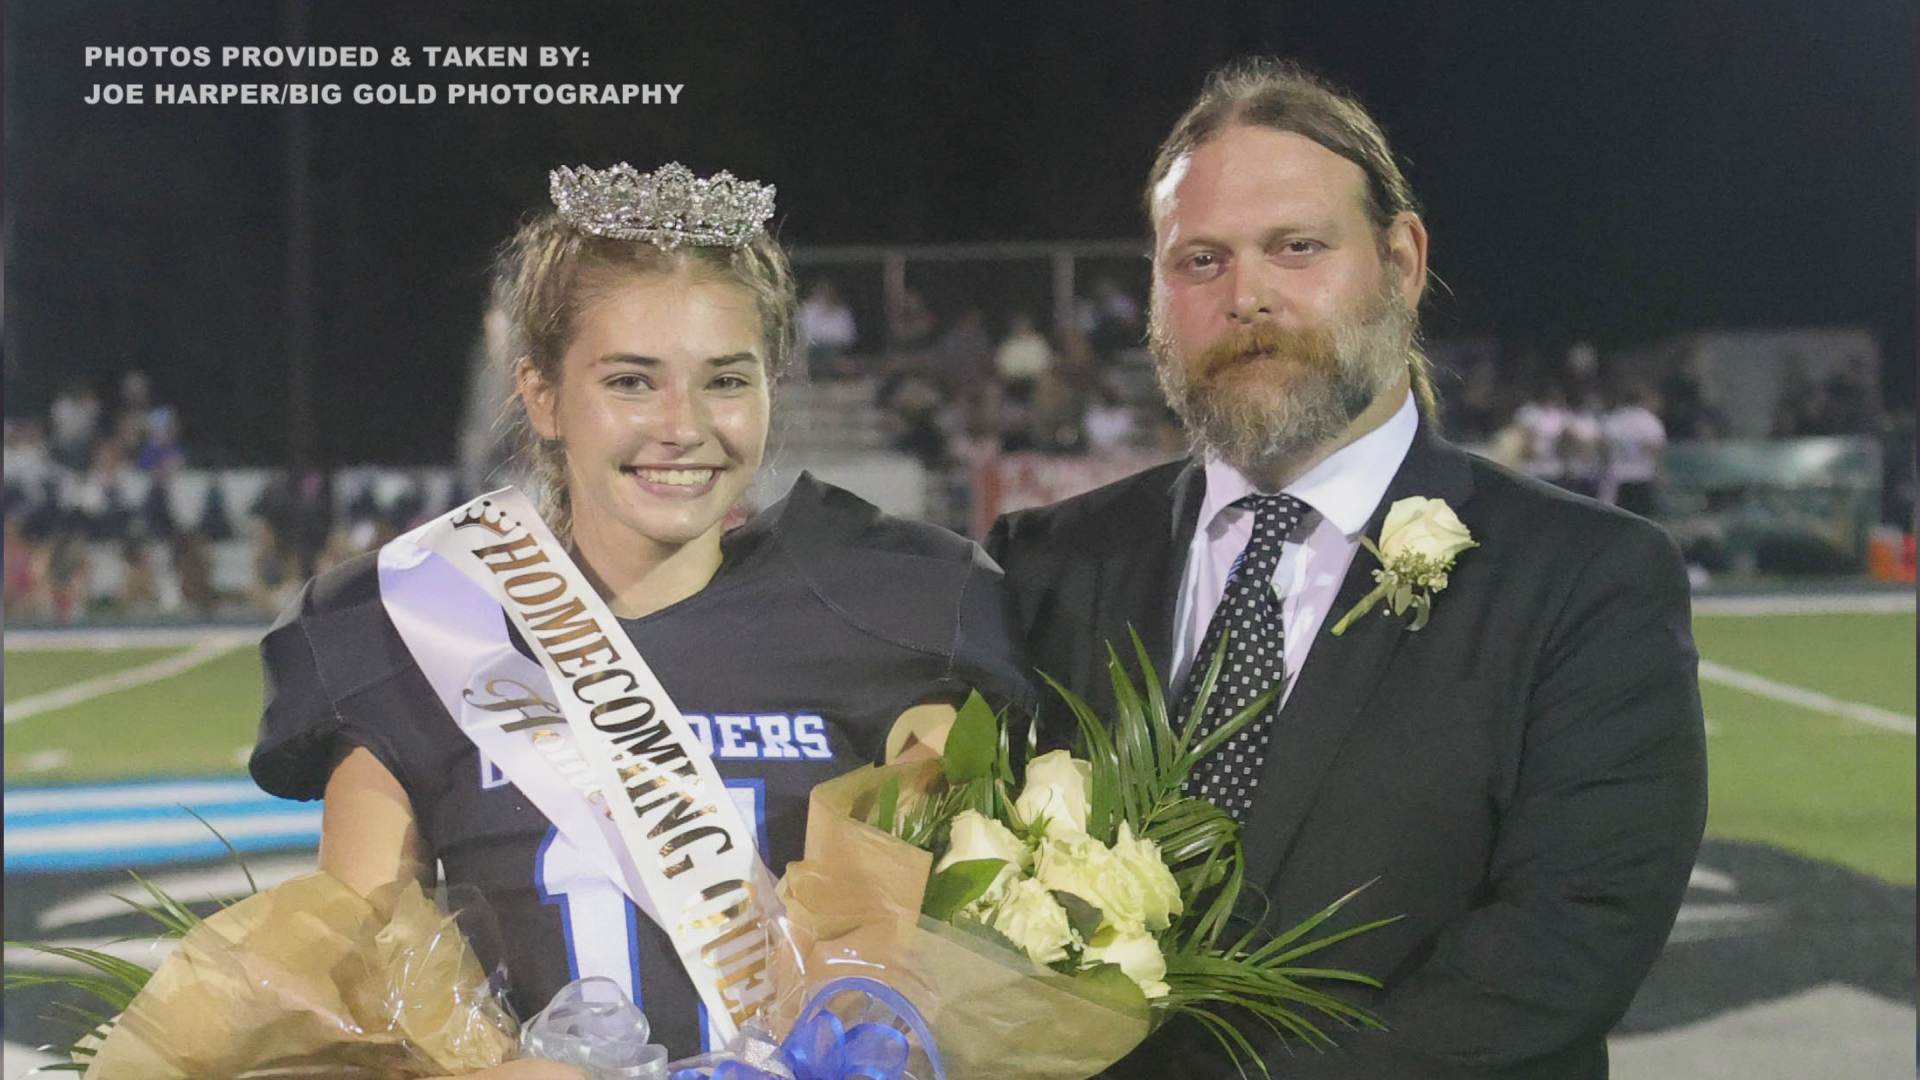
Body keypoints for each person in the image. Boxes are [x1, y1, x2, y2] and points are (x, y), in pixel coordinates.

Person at [987, 60, 1705, 1079]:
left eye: (1298, 247)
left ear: (1403, 262)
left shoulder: (1587, 580)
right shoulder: (1044, 564)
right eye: (1200, 261)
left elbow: (1565, 944)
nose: (1248, 297)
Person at [249, 163, 1033, 1074]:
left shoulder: (897, 606)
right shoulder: (416, 625)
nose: (684, 426)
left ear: (771, 390)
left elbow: (950, 963)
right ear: (541, 395)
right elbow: (355, 1001)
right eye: (631, 381)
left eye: (725, 381)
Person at [1601, 384, 1667, 516]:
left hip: (1618, 477)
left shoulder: (1612, 420)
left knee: (1618, 519)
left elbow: (1605, 448)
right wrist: (1660, 473)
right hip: (1642, 477)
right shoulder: (1649, 421)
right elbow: (1653, 450)